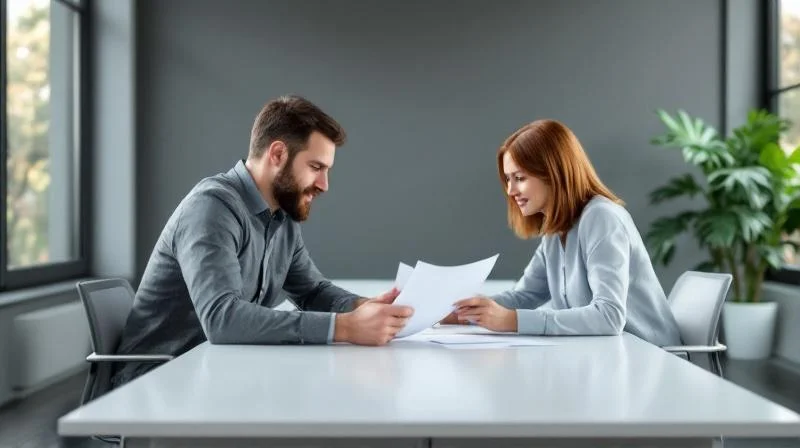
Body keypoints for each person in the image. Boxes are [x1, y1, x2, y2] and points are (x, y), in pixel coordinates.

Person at [112, 95, 413, 387]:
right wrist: (345, 327)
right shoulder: (212, 207)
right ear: (278, 154)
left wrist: (371, 308)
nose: (324, 185)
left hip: (214, 374)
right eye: (316, 167)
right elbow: (223, 319)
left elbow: (312, 291)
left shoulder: (281, 218)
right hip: (156, 385)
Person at [448, 119, 681, 347]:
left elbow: (609, 316)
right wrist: (457, 312)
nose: (510, 190)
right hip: (609, 357)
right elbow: (524, 295)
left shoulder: (602, 218)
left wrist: (512, 321)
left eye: (519, 178)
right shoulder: (556, 229)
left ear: (553, 173)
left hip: (650, 360)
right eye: (508, 179)